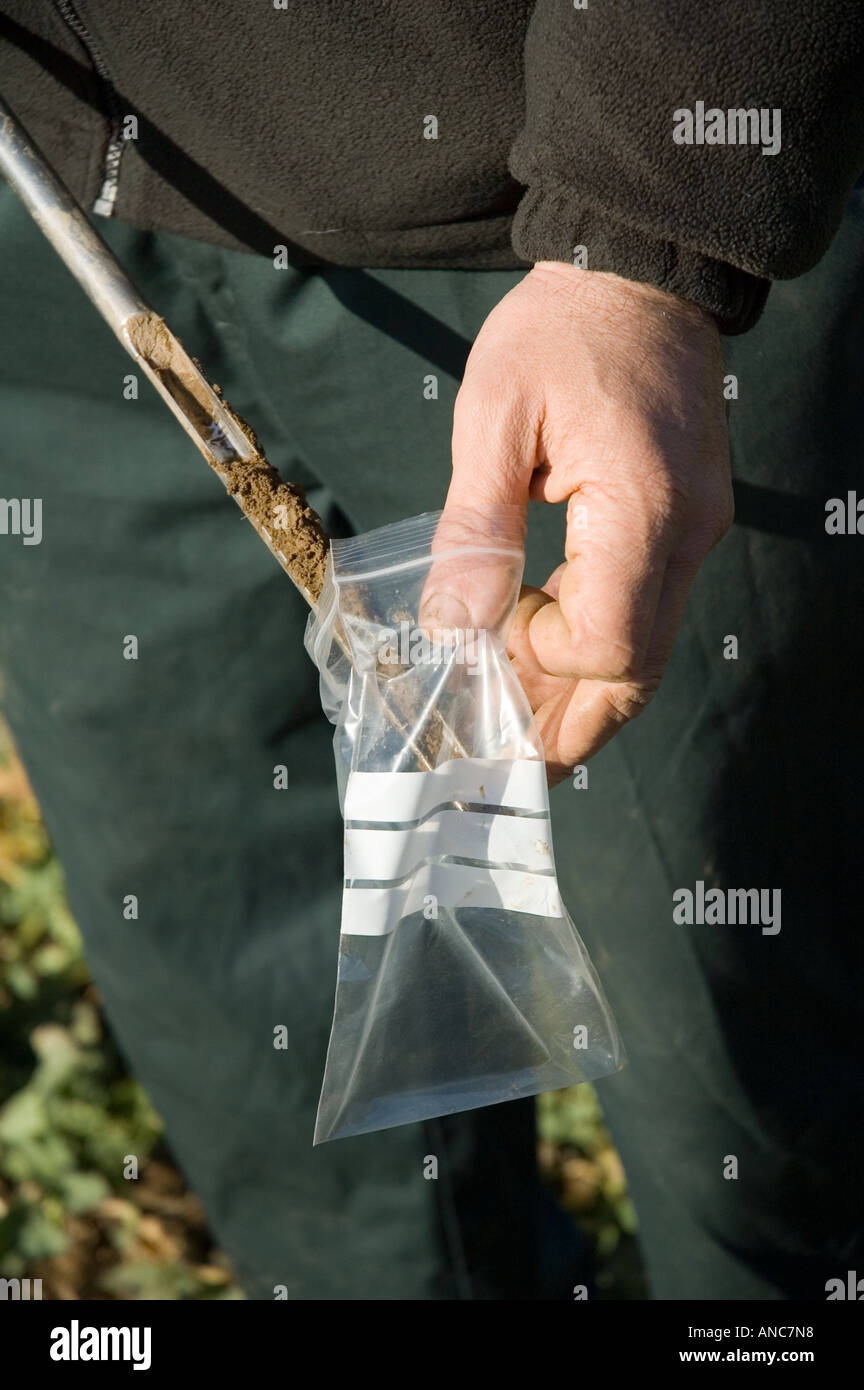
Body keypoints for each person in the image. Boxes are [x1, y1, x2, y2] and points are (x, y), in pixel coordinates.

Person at [1, 2, 862, 1299]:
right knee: (276, 1061)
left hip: (553, 225)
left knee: (744, 1062)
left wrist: (649, 214)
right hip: (49, 211)